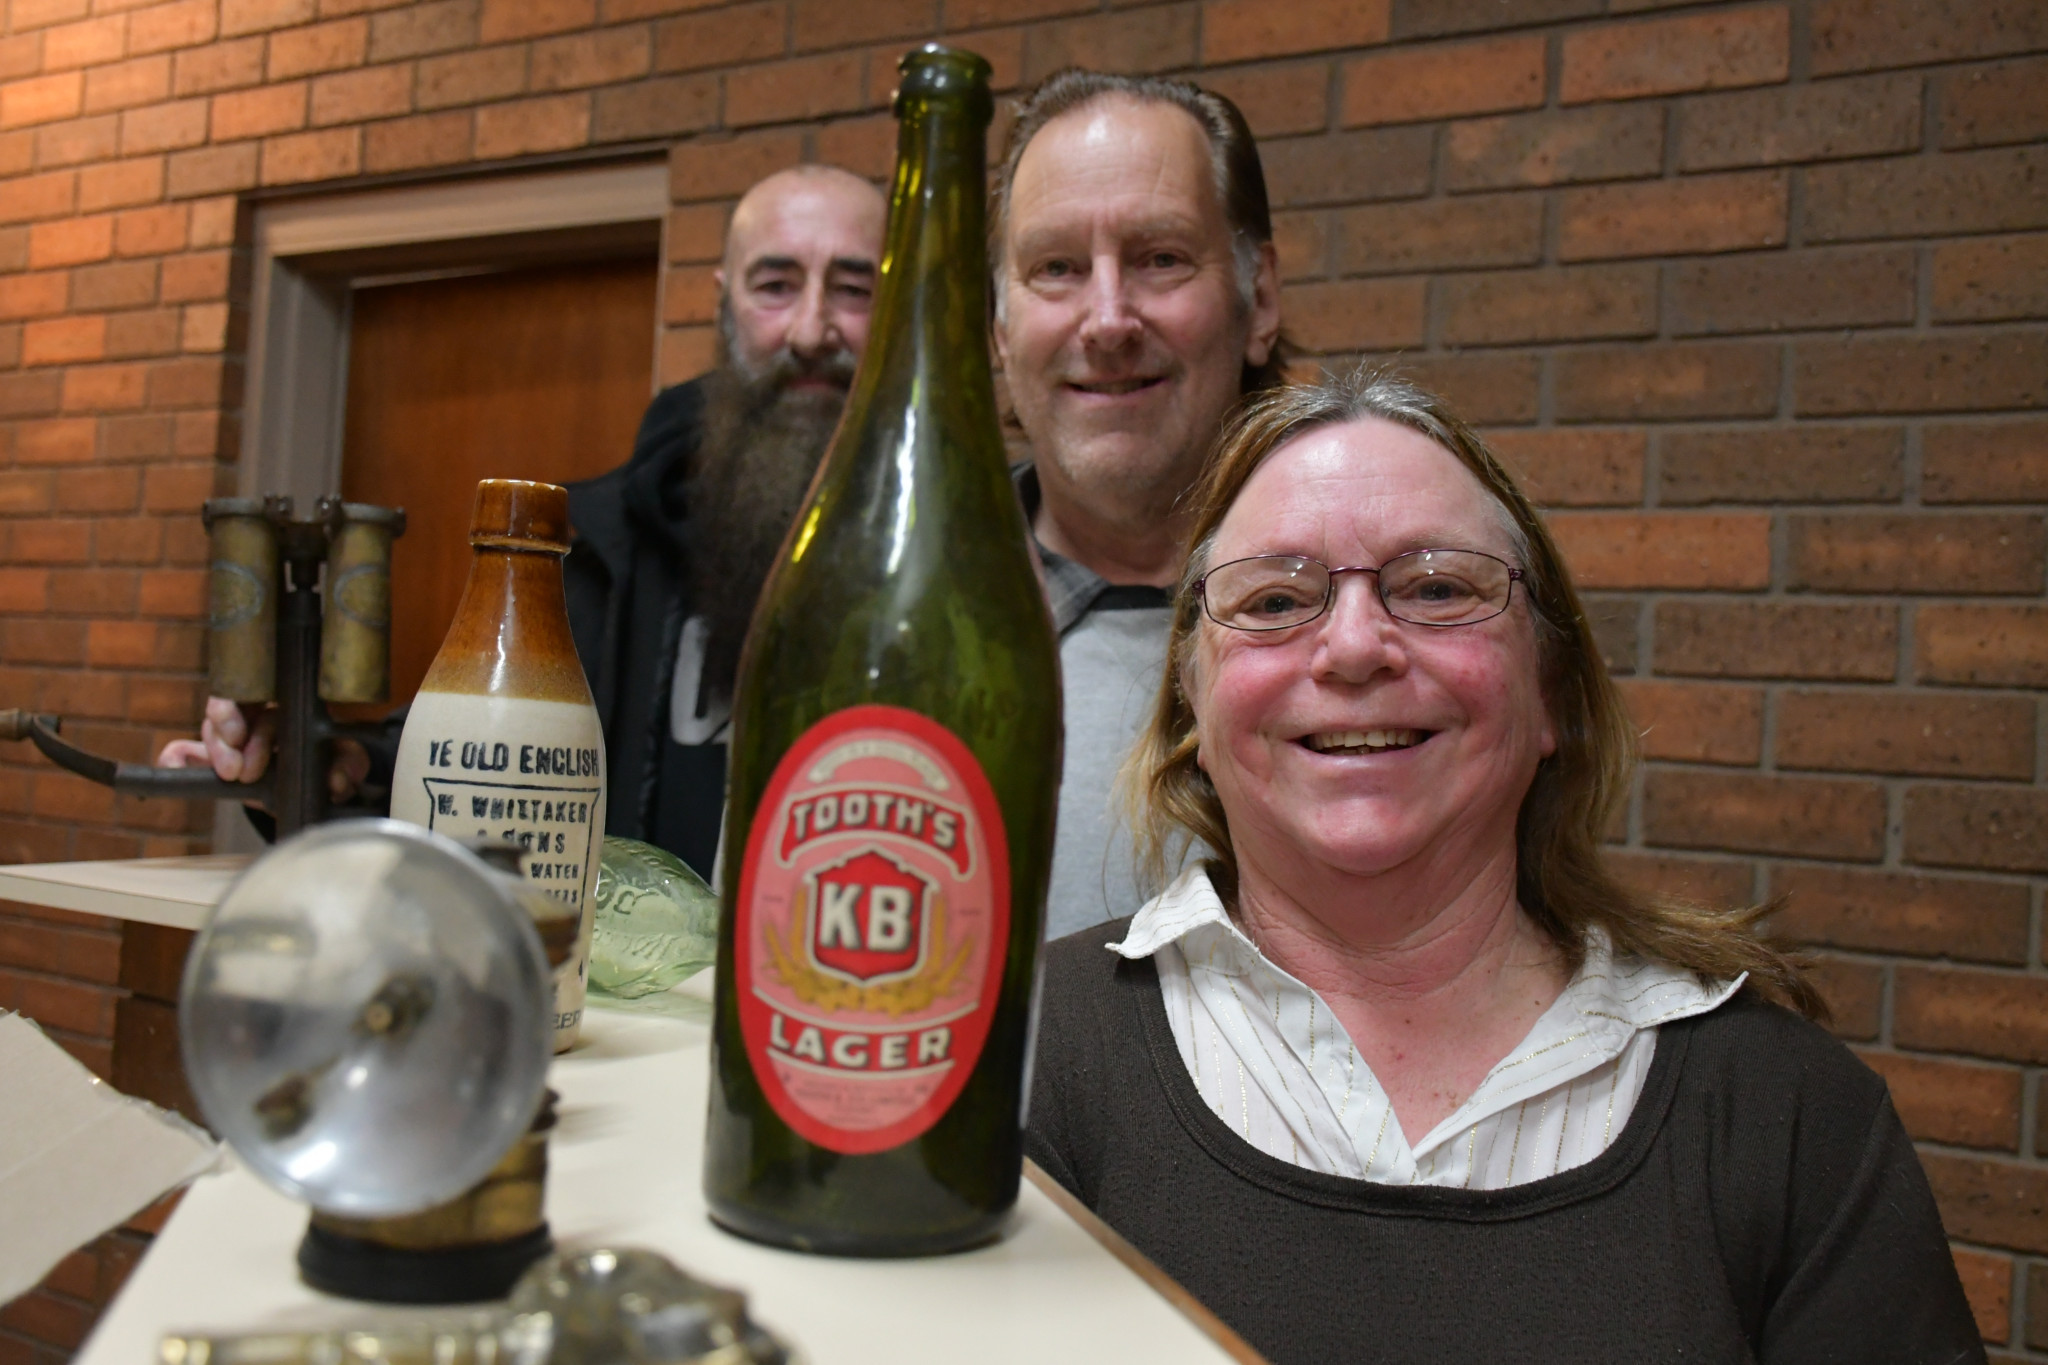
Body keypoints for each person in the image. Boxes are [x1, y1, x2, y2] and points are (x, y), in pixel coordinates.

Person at [1023, 370, 1982, 1363]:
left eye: (1436, 587)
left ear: (1550, 694)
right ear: (1192, 714)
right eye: (1273, 598)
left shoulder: (1787, 1123)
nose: (1353, 646)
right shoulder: (1022, 1067)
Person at [161, 165, 887, 879]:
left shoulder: (970, 555)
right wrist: (317, 769)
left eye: (854, 290)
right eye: (776, 286)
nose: (812, 329)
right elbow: (469, 767)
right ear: (726, 305)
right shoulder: (608, 552)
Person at [992, 70, 1284, 937]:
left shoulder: (1369, 631)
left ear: (1258, 298)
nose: (1109, 319)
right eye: (1057, 268)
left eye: (1160, 257)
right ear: (999, 331)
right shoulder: (880, 623)